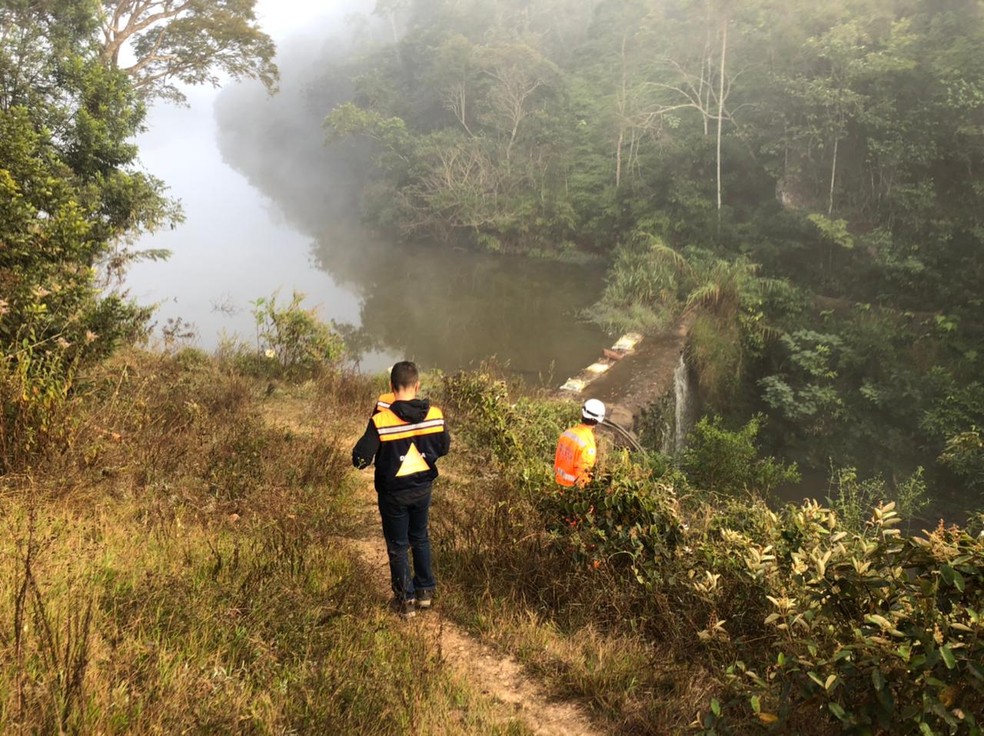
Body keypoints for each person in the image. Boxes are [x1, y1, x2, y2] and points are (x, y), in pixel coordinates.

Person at [352, 361, 450, 618]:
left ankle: (406, 600)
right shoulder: (435, 415)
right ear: (417, 386)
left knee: (397, 545)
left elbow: (360, 459)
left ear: (391, 386)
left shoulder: (381, 420)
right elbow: (444, 447)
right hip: (422, 489)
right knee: (420, 537)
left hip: (393, 495)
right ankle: (425, 591)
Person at [554, 398, 605, 488]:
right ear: (598, 420)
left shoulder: (566, 433)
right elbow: (583, 473)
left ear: (583, 414)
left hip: (557, 483)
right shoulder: (588, 444)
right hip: (571, 489)